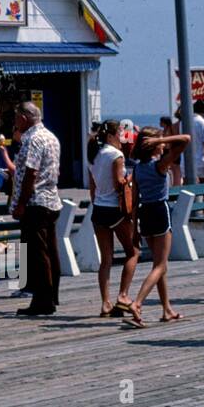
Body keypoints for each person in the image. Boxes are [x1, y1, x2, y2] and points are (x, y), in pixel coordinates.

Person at [123, 128, 191, 327]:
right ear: (153, 146)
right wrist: (160, 139)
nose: (163, 144)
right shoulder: (160, 166)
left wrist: (134, 230)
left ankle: (167, 309)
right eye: (159, 142)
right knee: (161, 265)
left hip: (144, 213)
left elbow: (134, 201)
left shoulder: (137, 169)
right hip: (160, 211)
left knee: (158, 265)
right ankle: (137, 303)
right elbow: (185, 139)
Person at [11, 102, 62, 315]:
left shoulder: (32, 139)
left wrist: (21, 203)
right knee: (50, 250)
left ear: (23, 118)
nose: (14, 122)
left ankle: (43, 300)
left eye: (16, 118)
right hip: (51, 199)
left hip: (36, 202)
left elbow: (31, 173)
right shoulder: (51, 136)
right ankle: (52, 295)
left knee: (37, 253)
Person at [87, 119, 139, 317]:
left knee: (106, 260)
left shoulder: (95, 155)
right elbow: (119, 183)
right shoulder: (116, 155)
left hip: (99, 209)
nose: (122, 136)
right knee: (133, 252)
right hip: (114, 209)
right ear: (111, 135)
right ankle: (123, 295)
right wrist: (132, 179)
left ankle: (105, 303)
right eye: (119, 133)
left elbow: (93, 185)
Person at [161, 116, 183, 186]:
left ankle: (177, 184)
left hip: (170, 150)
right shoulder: (165, 130)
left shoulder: (170, 129)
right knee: (167, 168)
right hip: (166, 150)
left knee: (174, 168)